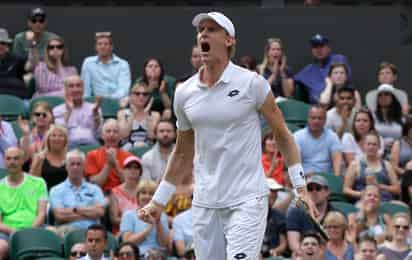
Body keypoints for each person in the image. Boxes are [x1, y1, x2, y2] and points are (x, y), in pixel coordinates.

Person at [139, 11, 315, 260]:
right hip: (205, 202)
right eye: (201, 30)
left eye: (211, 29)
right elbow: (182, 152)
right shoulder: (184, 93)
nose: (203, 34)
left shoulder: (252, 84)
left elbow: (283, 135)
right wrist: (158, 202)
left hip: (247, 200)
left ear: (229, 40)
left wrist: (300, 187)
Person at [0, 147, 48, 259]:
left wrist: (29, 231)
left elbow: (41, 214)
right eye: (8, 159)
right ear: (4, 162)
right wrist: (15, 232)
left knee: (55, 234)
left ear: (22, 161)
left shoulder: (38, 183)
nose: (12, 162)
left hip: (36, 228)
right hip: (8, 232)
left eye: (16, 158)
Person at [49, 149, 105, 236]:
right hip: (67, 232)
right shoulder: (56, 190)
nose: (75, 167)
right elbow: (59, 216)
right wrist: (89, 212)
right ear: (66, 166)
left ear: (84, 167)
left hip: (93, 233)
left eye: (79, 164)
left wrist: (75, 210)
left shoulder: (95, 189)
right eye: (72, 164)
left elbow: (99, 212)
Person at [294, 33, 352, 104]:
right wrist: (281, 70)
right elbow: (291, 83)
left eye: (321, 46)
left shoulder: (338, 59)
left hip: (339, 103)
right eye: (315, 46)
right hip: (316, 110)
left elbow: (345, 82)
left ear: (328, 48)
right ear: (312, 50)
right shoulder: (307, 70)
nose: (318, 50)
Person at [344, 132, 400, 202]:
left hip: (385, 201)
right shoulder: (355, 164)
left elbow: (397, 189)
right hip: (364, 202)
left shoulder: (386, 165)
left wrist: (379, 186)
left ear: (379, 147)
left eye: (374, 144)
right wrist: (361, 194)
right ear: (364, 146)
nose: (371, 147)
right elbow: (346, 189)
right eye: (368, 144)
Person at [287, 175, 334, 256]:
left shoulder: (334, 214)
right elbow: (294, 245)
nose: (314, 192)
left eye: (318, 188)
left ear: (327, 192)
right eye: (310, 189)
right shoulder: (295, 212)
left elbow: (337, 245)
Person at [120, 180, 169, 256]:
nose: (147, 196)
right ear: (138, 196)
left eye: (151, 194)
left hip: (158, 256)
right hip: (137, 255)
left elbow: (164, 244)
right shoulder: (129, 215)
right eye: (143, 193)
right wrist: (150, 227)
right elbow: (128, 242)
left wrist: (157, 221)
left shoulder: (162, 216)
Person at [53, 75, 102, 148]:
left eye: (78, 86)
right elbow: (59, 135)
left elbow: (98, 134)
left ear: (83, 89)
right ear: (65, 90)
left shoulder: (94, 108)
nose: (75, 89)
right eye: (71, 86)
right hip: (68, 148)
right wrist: (69, 112)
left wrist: (96, 116)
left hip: (92, 146)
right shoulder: (57, 110)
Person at [85, 119, 133, 193]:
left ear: (120, 136)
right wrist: (108, 165)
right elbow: (94, 185)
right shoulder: (92, 155)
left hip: (122, 195)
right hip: (99, 195)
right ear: (102, 136)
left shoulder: (128, 157)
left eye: (115, 132)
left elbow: (130, 185)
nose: (111, 134)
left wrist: (116, 165)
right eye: (108, 131)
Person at [294, 105, 343, 176]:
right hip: (305, 177)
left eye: (320, 118)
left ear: (325, 120)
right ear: (308, 119)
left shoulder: (332, 136)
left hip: (326, 179)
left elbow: (337, 161)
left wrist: (336, 180)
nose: (316, 121)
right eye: (313, 118)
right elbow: (296, 163)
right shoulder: (297, 136)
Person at [81, 32, 131, 99]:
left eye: (106, 44)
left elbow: (124, 90)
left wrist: (107, 100)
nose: (102, 46)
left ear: (111, 47)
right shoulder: (88, 62)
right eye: (99, 44)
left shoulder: (122, 64)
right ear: (96, 47)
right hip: (95, 102)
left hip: (116, 102)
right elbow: (85, 89)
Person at [117, 82, 160, 150]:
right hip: (127, 150)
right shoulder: (122, 113)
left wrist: (146, 114)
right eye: (137, 93)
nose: (141, 96)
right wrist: (133, 114)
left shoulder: (155, 115)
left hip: (147, 151)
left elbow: (151, 136)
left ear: (148, 97)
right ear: (131, 96)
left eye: (145, 94)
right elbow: (124, 135)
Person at [109, 155, 142, 235]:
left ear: (140, 171)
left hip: (142, 229)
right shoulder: (114, 192)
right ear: (123, 170)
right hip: (122, 231)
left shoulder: (144, 190)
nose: (132, 170)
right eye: (129, 167)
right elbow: (114, 219)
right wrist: (133, 221)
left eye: (136, 167)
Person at [29, 124, 68, 191]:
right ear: (48, 139)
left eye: (60, 136)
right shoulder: (39, 157)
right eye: (53, 135)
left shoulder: (70, 157)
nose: (57, 138)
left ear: (65, 140)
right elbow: (33, 181)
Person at [369, 84, 404, 153]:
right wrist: (382, 144)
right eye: (380, 95)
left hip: (400, 152)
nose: (383, 97)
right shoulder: (370, 117)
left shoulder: (402, 118)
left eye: (387, 94)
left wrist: (397, 144)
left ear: (393, 98)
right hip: (376, 152)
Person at [261, 178, 287, 258]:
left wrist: (274, 251)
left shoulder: (279, 216)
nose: (274, 194)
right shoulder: (250, 216)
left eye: (276, 192)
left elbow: (283, 244)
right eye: (271, 191)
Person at [0, 28, 27, 99]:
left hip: (15, 99)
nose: (0, 46)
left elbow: (30, 67)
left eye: (3, 43)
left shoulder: (17, 59)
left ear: (7, 45)